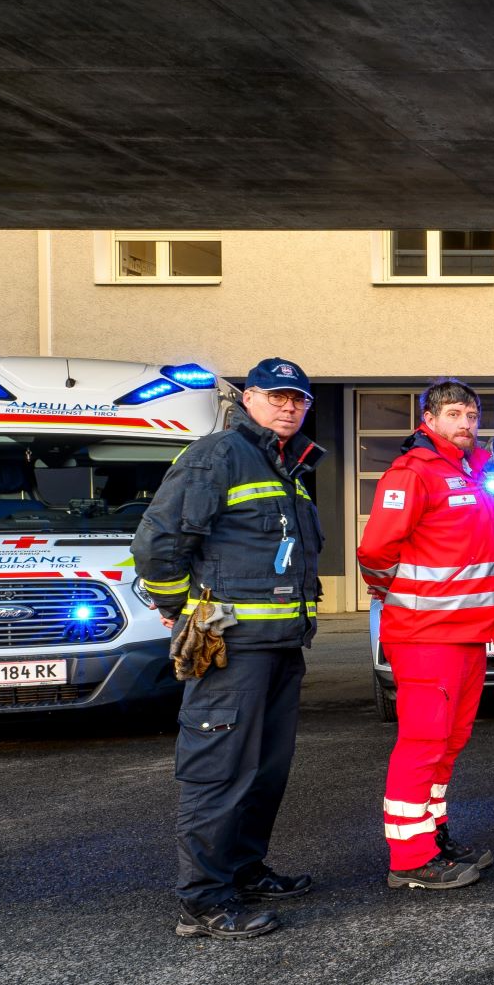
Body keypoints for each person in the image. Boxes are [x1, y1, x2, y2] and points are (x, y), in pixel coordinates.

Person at [134, 358, 327, 940]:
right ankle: (203, 900)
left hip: (279, 647)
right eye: (275, 396)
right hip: (231, 649)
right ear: (250, 399)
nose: (288, 406)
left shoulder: (283, 464)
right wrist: (180, 608)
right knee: (218, 773)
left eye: (298, 398)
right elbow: (158, 542)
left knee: (264, 771)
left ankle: (243, 869)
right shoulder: (218, 455)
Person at [356, 379, 494, 893]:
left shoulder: (468, 471)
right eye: (456, 414)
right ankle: (410, 858)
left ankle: (433, 835)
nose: (467, 424)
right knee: (422, 742)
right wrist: (387, 593)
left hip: (467, 635)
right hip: (425, 637)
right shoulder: (413, 472)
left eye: (472, 415)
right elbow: (375, 551)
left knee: (449, 742)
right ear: (431, 419)